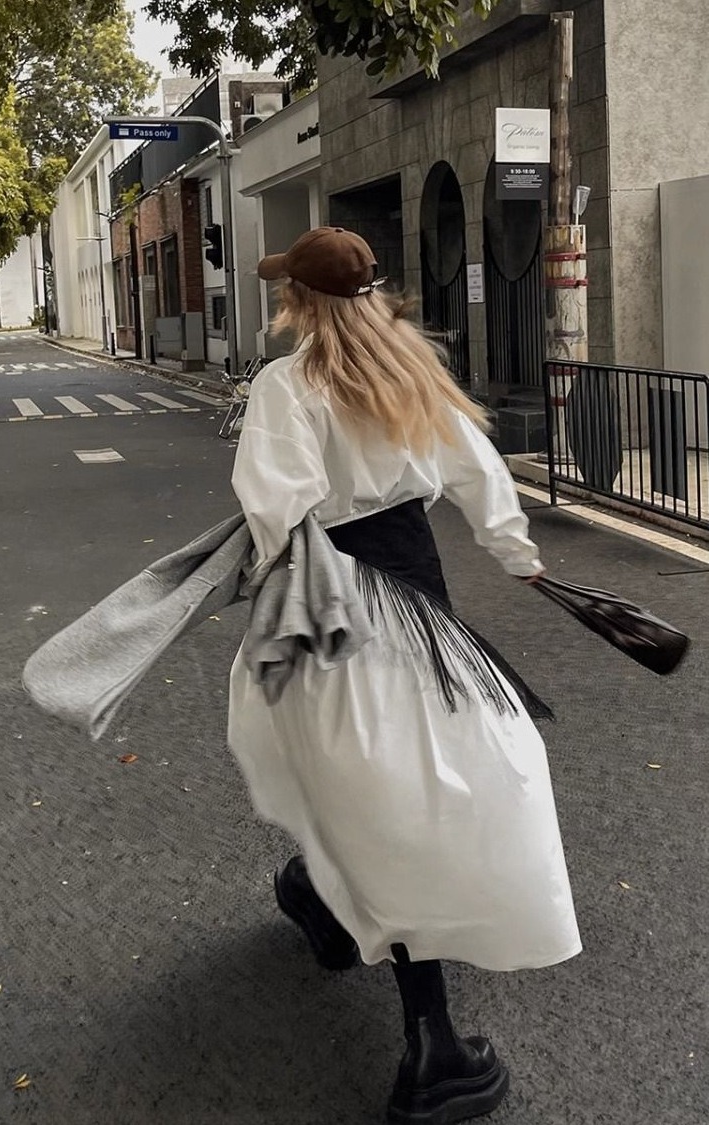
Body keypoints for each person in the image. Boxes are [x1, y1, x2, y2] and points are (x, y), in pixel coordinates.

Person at [227, 227, 581, 1124]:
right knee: (417, 786)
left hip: (328, 609)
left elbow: (278, 515)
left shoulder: (287, 386)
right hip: (422, 609)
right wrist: (518, 558)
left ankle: (430, 1046)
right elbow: (479, 477)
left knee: (355, 779)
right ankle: (324, 899)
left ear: (299, 302)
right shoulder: (415, 376)